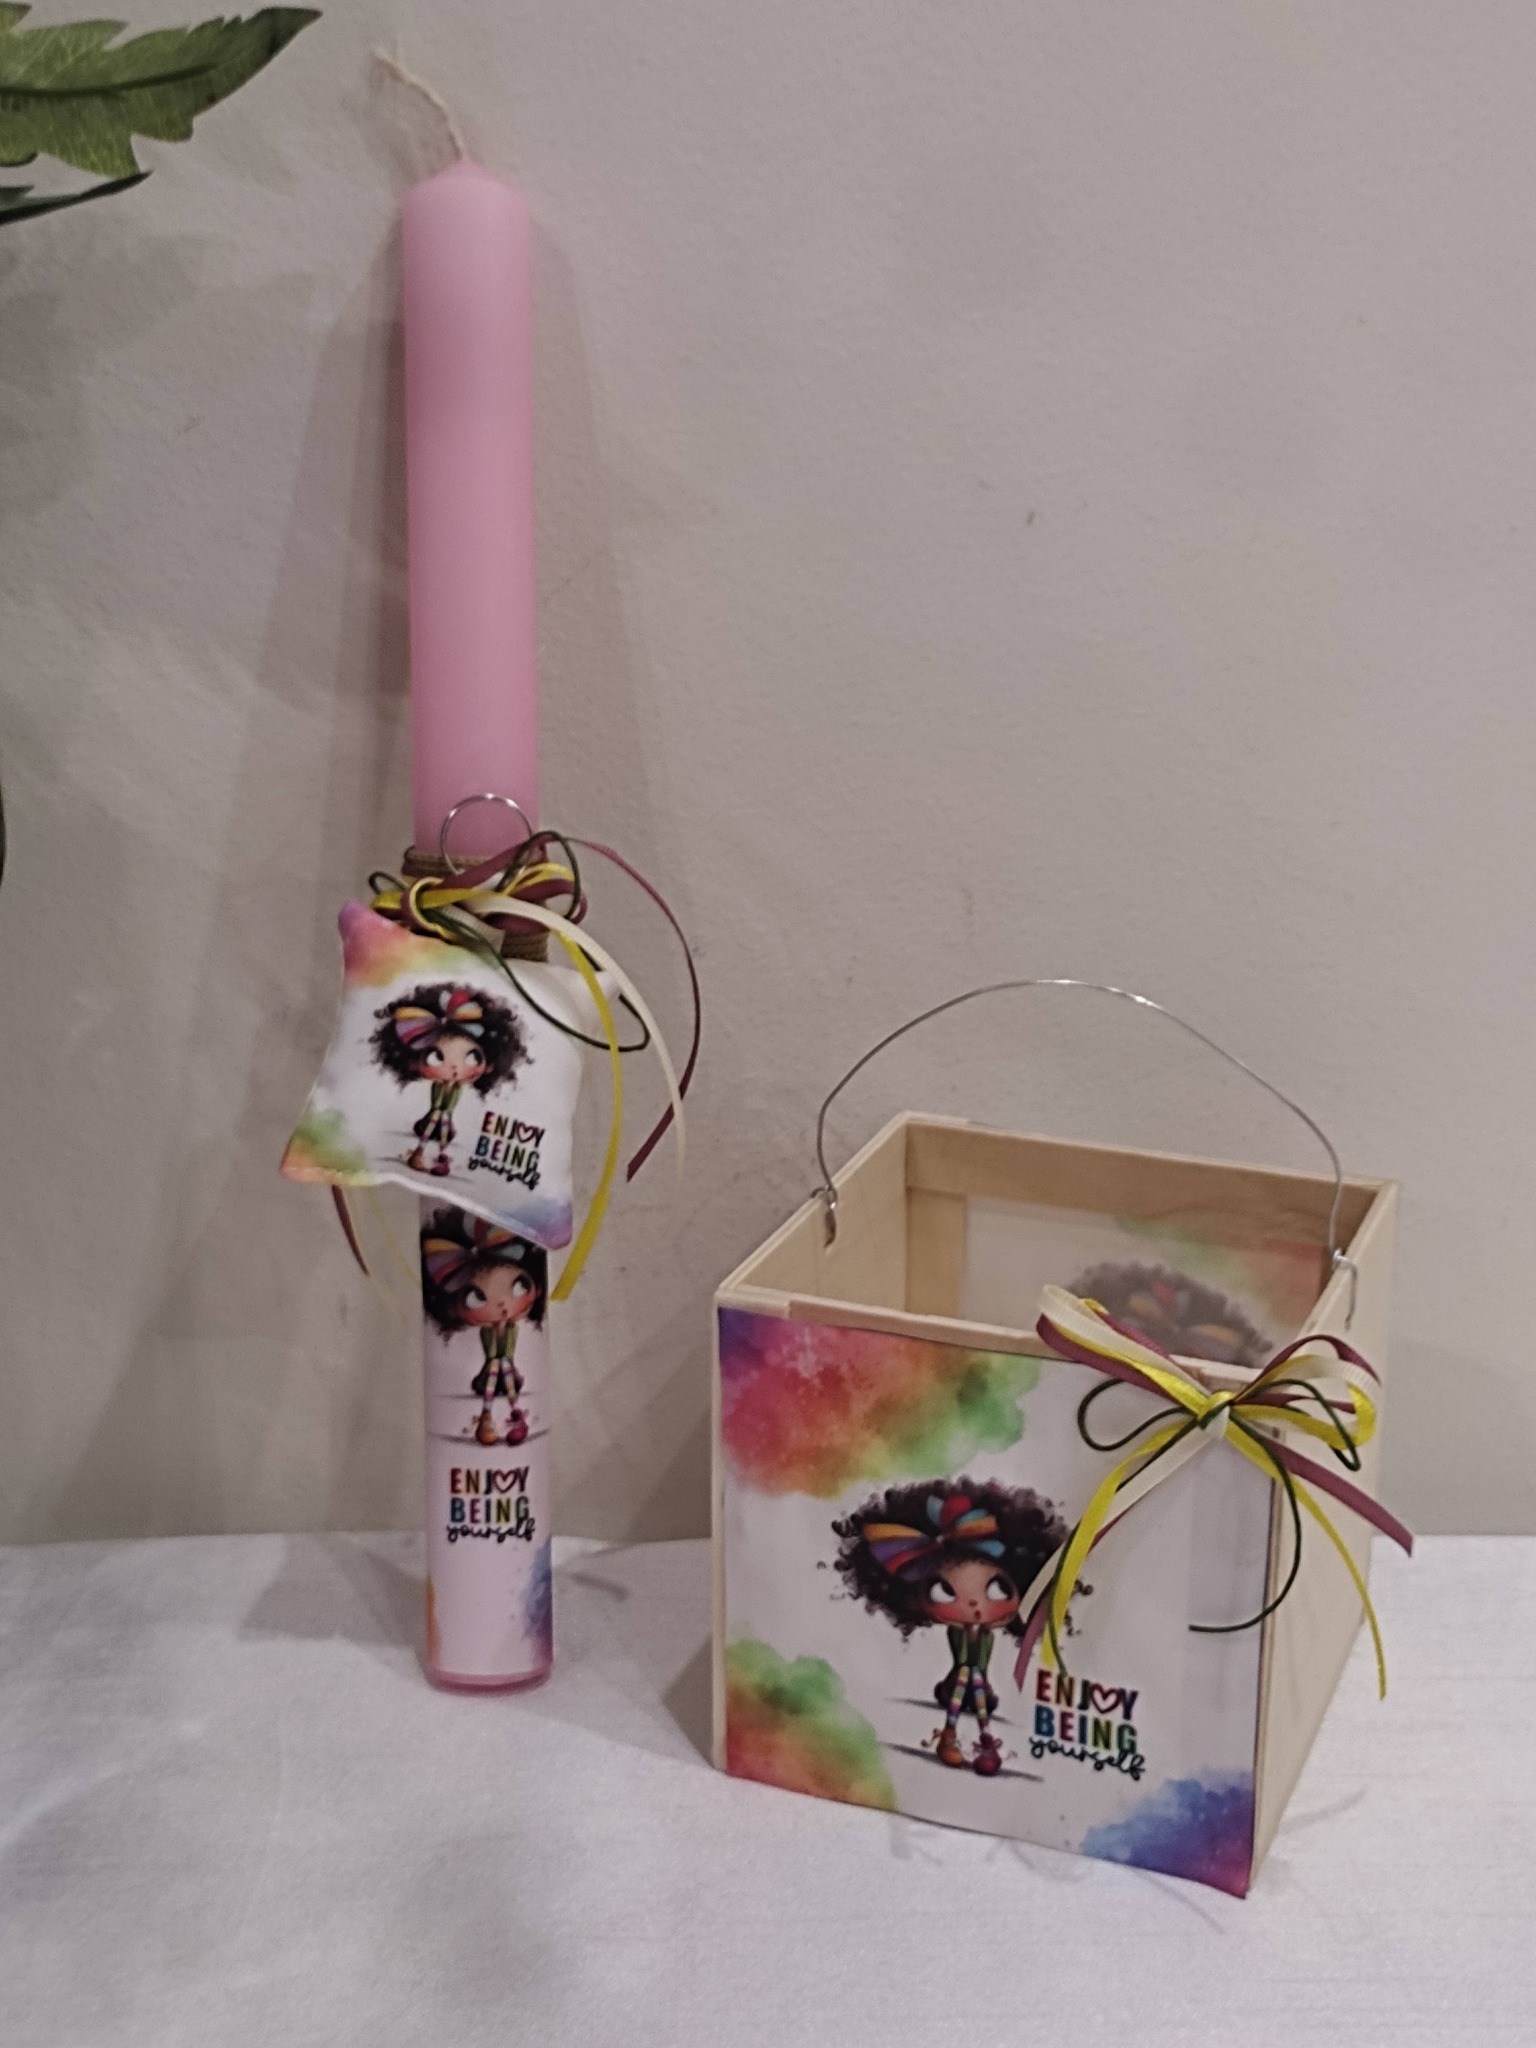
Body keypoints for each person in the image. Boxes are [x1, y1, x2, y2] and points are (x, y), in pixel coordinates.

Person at [833, 1478, 1067, 1776]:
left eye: (997, 1589)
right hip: (967, 1675)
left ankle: (982, 1741)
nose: (975, 1606)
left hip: (975, 1676)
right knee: (966, 1688)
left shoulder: (983, 1634)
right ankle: (953, 1737)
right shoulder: (958, 1632)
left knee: (976, 1691)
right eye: (944, 1592)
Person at [420, 1208, 548, 1447]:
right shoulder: (488, 1332)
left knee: (505, 1373)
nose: (502, 1305)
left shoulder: (511, 1329)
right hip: (493, 1366)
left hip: (505, 1366)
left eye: (519, 1287)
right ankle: (488, 1417)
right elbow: (493, 1350)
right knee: (497, 1373)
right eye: (476, 1298)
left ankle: (513, 1415)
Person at [370, 982, 527, 1177]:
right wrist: (438, 1111)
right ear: (412, 1061)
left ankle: (440, 1157)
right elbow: (437, 1103)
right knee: (434, 1126)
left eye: (472, 1058)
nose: (454, 1068)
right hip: (437, 1114)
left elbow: (449, 1105)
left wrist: (445, 1113)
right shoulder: (439, 1085)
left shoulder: (457, 1089)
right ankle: (421, 1152)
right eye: (436, 1057)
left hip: (444, 1116)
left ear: (490, 1064)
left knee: (442, 1129)